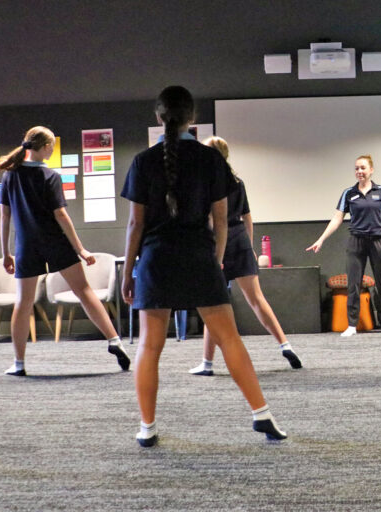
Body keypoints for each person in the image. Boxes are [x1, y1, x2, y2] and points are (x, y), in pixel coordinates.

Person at [121, 86, 286, 447]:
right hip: (199, 256)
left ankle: (147, 428)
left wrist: (127, 272)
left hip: (155, 259)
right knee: (229, 338)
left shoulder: (143, 161)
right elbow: (222, 220)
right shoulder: (212, 159)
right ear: (192, 119)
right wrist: (215, 261)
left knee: (149, 346)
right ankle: (261, 413)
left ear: (159, 117)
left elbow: (135, 224)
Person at [0, 126, 130, 376]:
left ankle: (19, 363)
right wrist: (80, 249)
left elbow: (5, 216)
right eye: (52, 147)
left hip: (26, 246)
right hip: (55, 242)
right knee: (84, 291)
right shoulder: (50, 176)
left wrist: (5, 253)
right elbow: (60, 215)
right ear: (46, 147)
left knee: (23, 303)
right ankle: (114, 340)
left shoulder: (10, 176)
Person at [188, 136, 302, 376]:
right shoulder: (237, 182)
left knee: (212, 305)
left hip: (218, 244)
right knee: (257, 299)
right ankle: (285, 344)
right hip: (239, 239)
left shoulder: (205, 184)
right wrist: (249, 247)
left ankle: (207, 364)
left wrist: (212, 253)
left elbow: (212, 220)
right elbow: (247, 217)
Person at [306, 155, 381, 337]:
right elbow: (337, 218)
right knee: (353, 283)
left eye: (363, 168)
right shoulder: (349, 193)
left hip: (378, 240)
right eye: (356, 168)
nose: (359, 171)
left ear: (371, 170)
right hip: (356, 241)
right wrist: (321, 239)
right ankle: (352, 325)